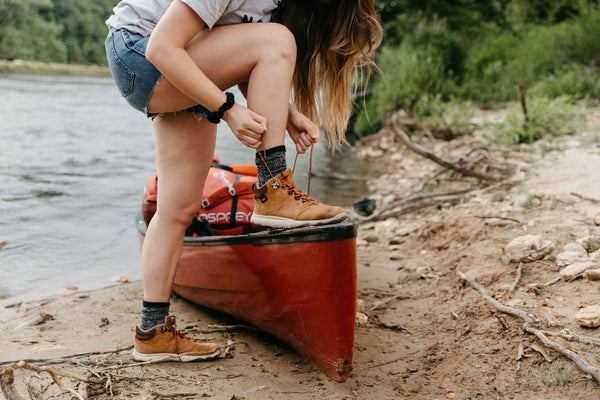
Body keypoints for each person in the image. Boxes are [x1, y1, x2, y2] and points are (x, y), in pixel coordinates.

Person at [104, 0, 382, 362]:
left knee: (179, 207)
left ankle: (152, 331)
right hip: (141, 54)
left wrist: (288, 115)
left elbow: (241, 59)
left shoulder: (272, 4)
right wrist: (227, 109)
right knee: (277, 39)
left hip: (182, 65)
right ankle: (274, 189)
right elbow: (161, 47)